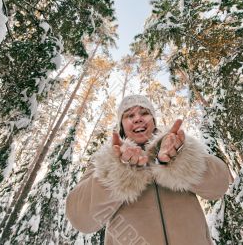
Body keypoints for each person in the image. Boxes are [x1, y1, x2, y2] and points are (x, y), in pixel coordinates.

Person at [66, 95, 230, 245]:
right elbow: (81, 219)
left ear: (153, 120)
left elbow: (219, 186)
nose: (137, 119)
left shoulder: (179, 146)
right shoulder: (104, 161)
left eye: (144, 113)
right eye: (129, 115)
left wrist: (179, 159)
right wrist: (119, 171)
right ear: (121, 125)